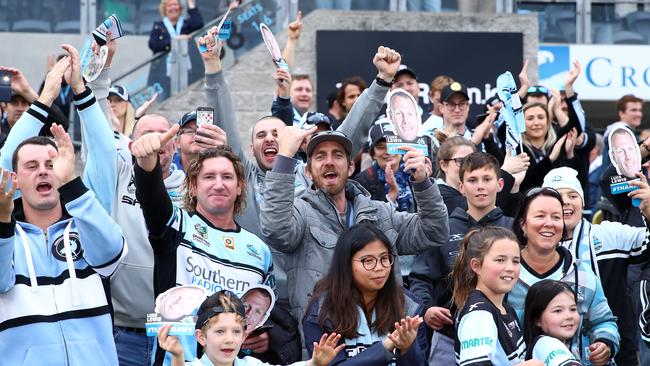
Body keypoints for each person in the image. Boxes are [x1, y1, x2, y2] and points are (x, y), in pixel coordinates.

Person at [260, 118, 449, 322]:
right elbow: (276, 229)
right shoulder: (300, 214)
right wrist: (284, 159)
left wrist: (422, 183)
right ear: (308, 171)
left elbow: (434, 231)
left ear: (351, 168)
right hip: (327, 342)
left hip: (383, 338)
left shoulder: (381, 213)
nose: (329, 162)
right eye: (320, 156)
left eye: (338, 155)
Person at [132, 127, 274, 365]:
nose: (219, 184)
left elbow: (264, 312)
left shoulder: (259, 251)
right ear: (194, 187)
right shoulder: (176, 225)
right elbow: (151, 197)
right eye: (209, 177)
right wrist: (147, 163)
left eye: (227, 177)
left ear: (239, 187)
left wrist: (266, 336)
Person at [0, 124, 127, 365]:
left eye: (51, 165)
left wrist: (70, 181)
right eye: (31, 166)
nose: (43, 172)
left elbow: (113, 252)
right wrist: (2, 224)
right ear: (15, 180)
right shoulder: (7, 236)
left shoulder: (86, 227)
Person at [410, 152, 514, 362]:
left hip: (506, 334)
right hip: (449, 335)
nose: (480, 186)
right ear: (461, 187)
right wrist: (427, 308)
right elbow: (421, 278)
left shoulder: (514, 229)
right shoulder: (443, 229)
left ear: (500, 184)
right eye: (472, 180)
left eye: (487, 179)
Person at [543, 166, 650, 366]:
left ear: (582, 202)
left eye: (573, 195)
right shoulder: (534, 247)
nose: (565, 201)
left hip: (617, 353)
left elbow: (647, 243)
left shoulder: (608, 235)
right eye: (557, 196)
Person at [508, 187, 619, 364]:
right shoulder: (506, 273)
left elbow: (604, 321)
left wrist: (605, 343)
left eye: (556, 217)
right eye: (540, 216)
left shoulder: (581, 273)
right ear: (523, 224)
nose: (549, 223)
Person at [303, 224, 427, 365]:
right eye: (368, 261)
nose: (379, 268)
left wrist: (407, 350)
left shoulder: (409, 307)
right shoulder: (322, 312)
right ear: (346, 264)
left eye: (384, 258)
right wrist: (385, 348)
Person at [158, 290, 345, 366]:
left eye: (236, 331)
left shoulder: (250, 364)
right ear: (201, 337)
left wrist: (314, 363)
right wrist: (177, 356)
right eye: (220, 331)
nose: (229, 339)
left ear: (244, 335)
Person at [452, 227, 540, 366]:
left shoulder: (506, 308)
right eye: (500, 260)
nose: (510, 267)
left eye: (516, 261)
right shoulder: (479, 314)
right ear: (476, 266)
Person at [354, 122, 414, 213]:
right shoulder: (363, 181)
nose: (388, 152)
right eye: (381, 147)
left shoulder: (414, 172)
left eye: (393, 145)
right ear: (373, 154)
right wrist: (391, 196)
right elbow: (366, 221)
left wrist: (424, 182)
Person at [523, 280, 582, 366]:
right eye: (558, 311)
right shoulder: (545, 344)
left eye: (573, 309)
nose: (569, 316)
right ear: (537, 319)